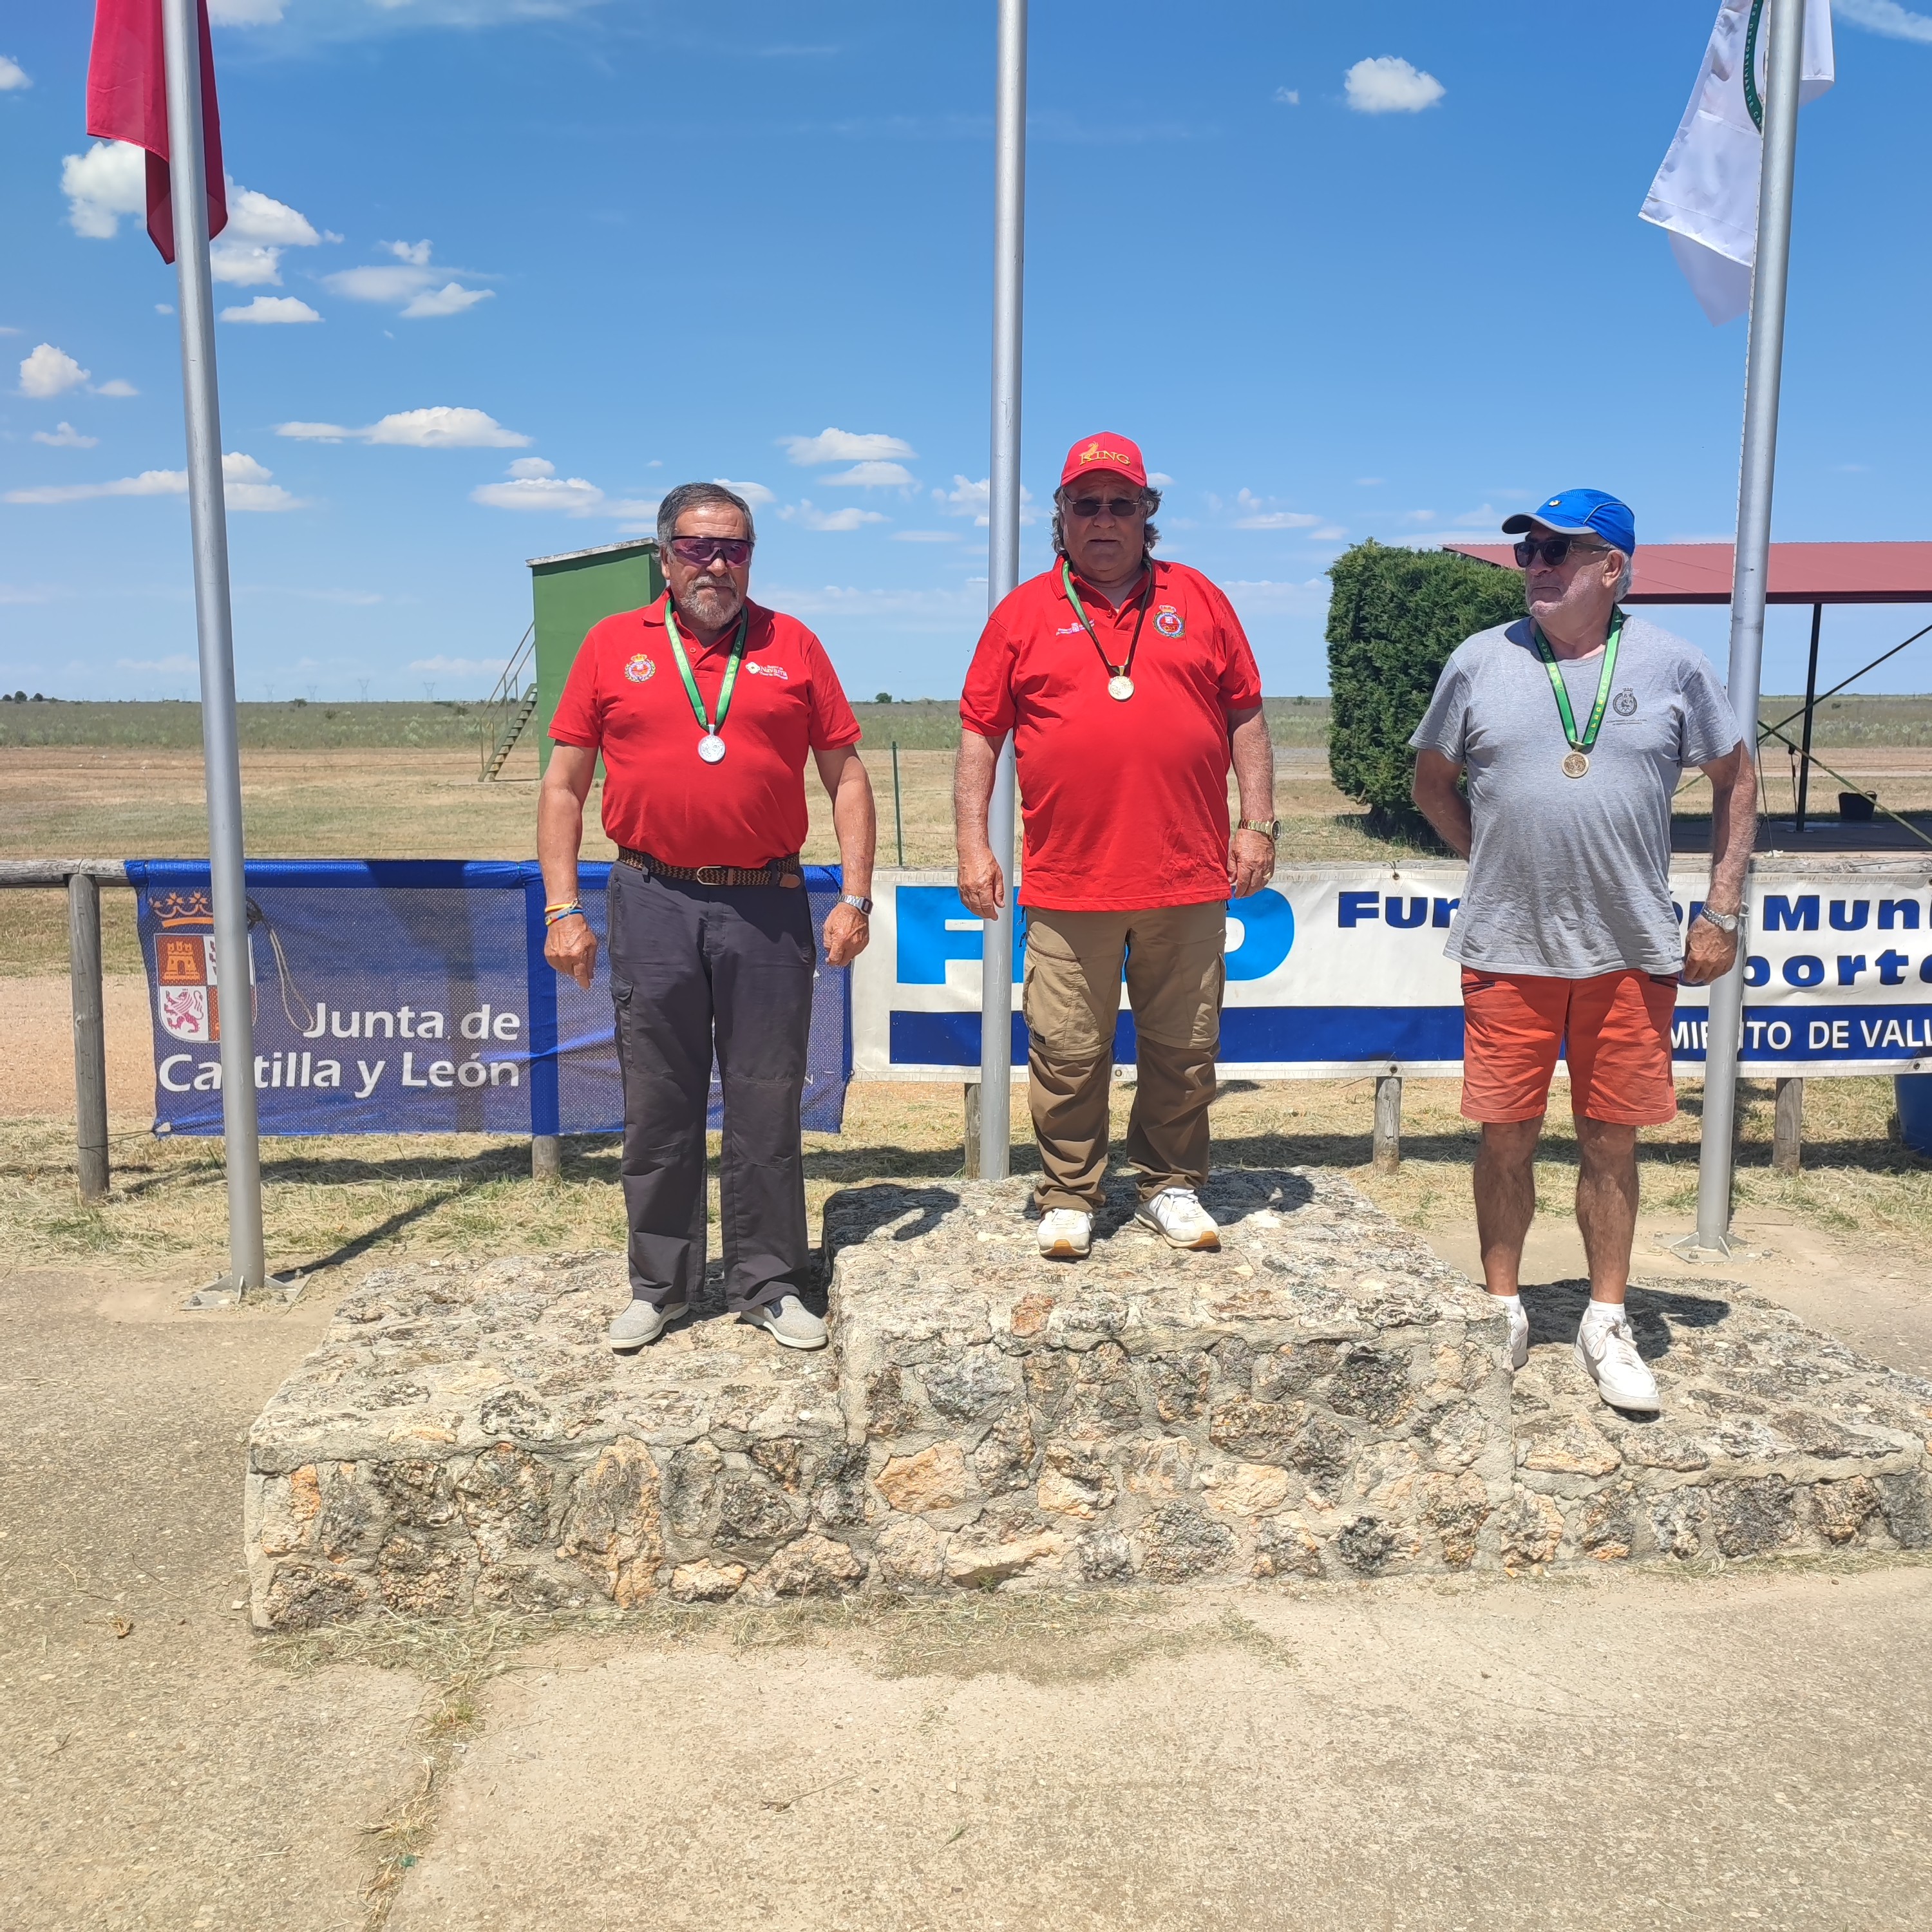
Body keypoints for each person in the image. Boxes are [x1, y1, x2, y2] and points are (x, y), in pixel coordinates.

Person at [1410, 489, 1755, 1414]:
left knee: (1611, 1140)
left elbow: (1737, 778)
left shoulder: (1675, 665)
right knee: (1505, 1136)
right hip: (1508, 946)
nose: (1540, 565)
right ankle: (1502, 1305)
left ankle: (1606, 1318)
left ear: (1616, 569)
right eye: (1530, 551)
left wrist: (1722, 908)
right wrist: (1487, 857)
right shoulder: (1479, 661)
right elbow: (1431, 777)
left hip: (1631, 949)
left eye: (1564, 550)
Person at [539, 481, 876, 1353]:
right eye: (698, 547)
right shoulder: (613, 646)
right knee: (660, 1101)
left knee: (766, 1103)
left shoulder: (793, 644)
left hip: (766, 905)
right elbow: (564, 786)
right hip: (652, 897)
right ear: (665, 555)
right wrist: (562, 907)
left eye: (735, 548)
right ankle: (662, 1284)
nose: (717, 564)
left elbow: (846, 776)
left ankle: (767, 1281)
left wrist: (856, 895)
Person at [955, 433, 1278, 1260]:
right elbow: (980, 735)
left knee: (1184, 1044)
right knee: (1066, 1048)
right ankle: (1069, 1191)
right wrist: (972, 845)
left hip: (1186, 874)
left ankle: (1169, 1184)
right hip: (1070, 881)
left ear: (1148, 516)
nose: (1103, 520)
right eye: (1085, 504)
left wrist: (1257, 822)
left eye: (1121, 504)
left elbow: (1245, 713)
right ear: (1060, 517)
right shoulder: (1021, 614)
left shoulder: (1199, 600)